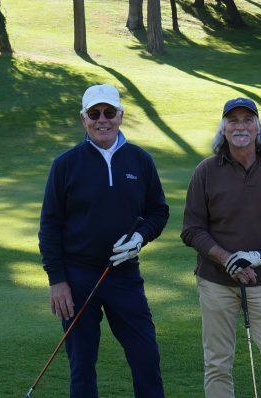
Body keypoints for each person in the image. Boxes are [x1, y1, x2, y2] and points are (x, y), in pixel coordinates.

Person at [38, 83, 170, 398]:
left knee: (146, 357)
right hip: (77, 277)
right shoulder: (66, 165)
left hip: (124, 275)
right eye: (94, 113)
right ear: (84, 119)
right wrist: (57, 281)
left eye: (109, 112)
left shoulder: (140, 160)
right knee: (82, 366)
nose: (102, 120)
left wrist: (140, 236)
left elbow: (158, 210)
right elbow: (50, 226)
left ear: (120, 116)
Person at [181, 97, 261, 398]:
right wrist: (227, 260)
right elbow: (192, 229)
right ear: (223, 128)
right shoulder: (206, 171)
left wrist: (258, 256)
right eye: (232, 120)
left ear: (258, 127)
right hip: (215, 282)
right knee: (218, 364)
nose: (240, 126)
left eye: (247, 119)